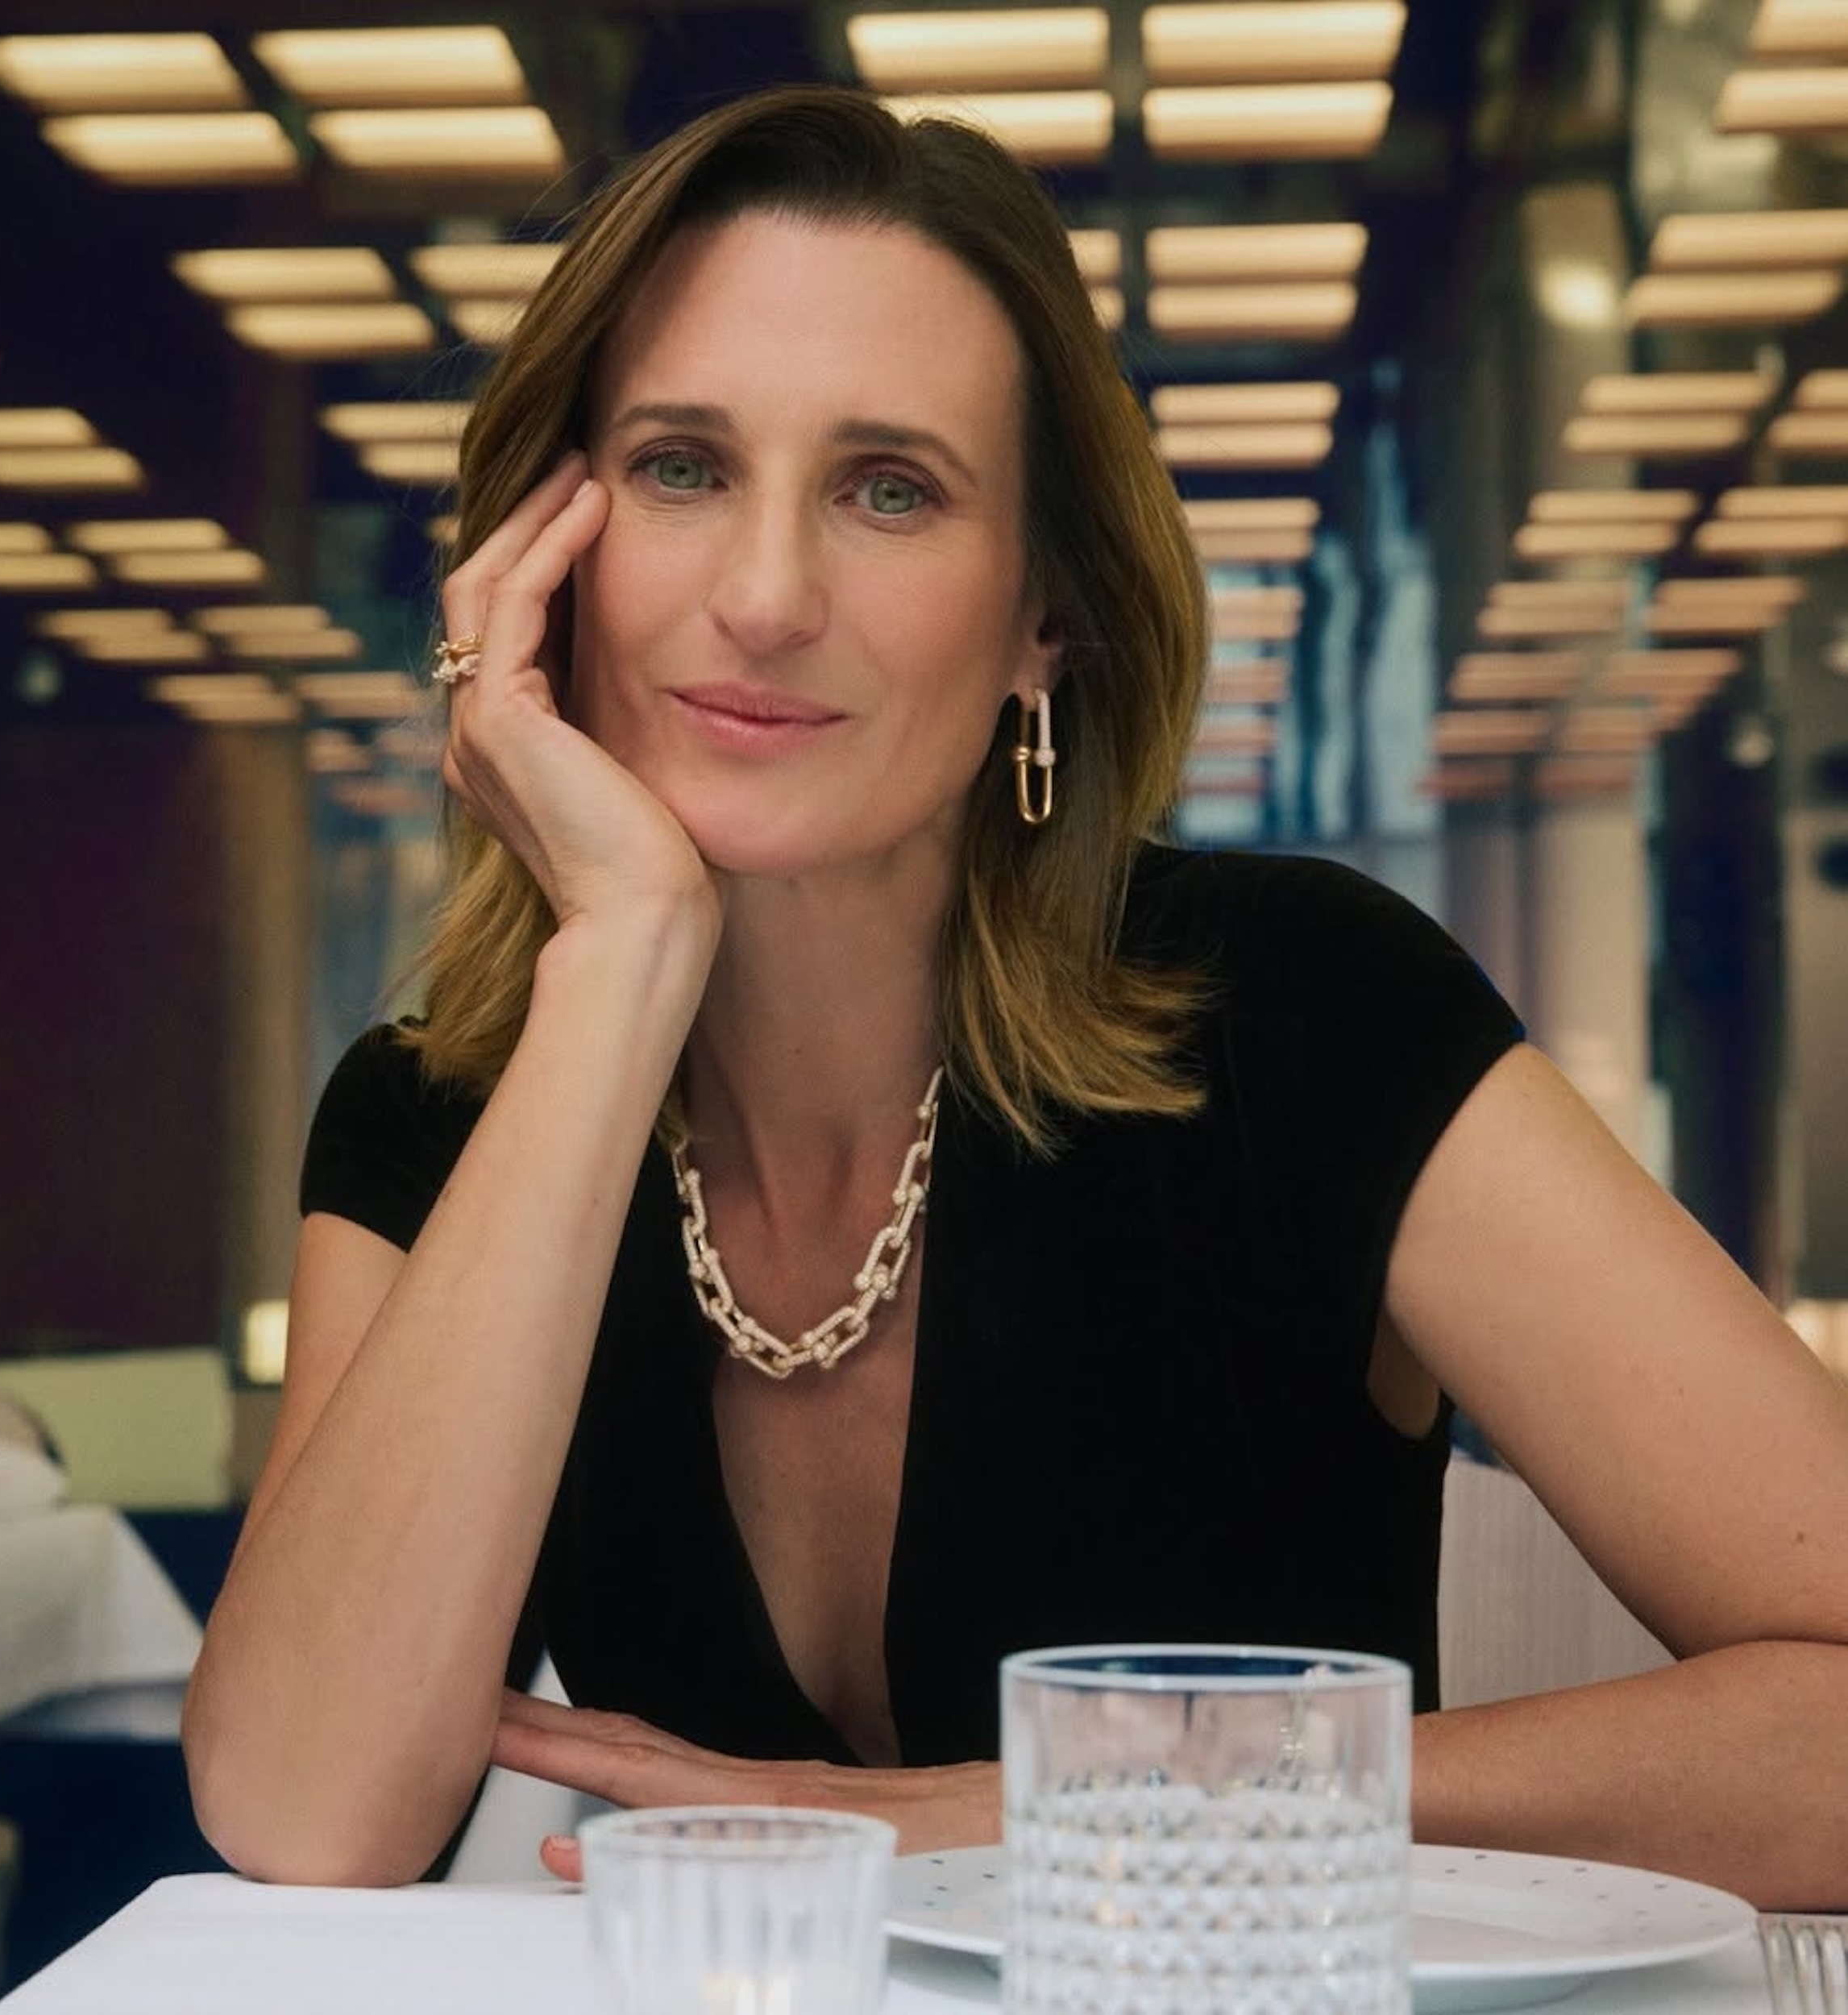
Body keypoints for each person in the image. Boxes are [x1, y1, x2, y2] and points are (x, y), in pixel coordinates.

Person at [181, 85, 1848, 1907]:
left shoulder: (1303, 1014)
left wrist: (1030, 1811)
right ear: (543, 558)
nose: (764, 594)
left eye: (888, 490)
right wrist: (621, 962)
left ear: (1041, 614)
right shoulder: (441, 1112)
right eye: (680, 467)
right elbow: (305, 1814)